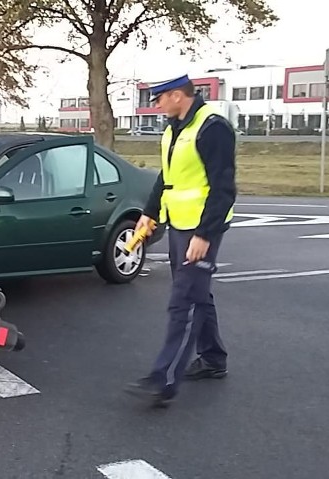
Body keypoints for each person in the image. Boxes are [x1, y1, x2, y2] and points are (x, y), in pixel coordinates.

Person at [123, 74, 237, 407]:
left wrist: (205, 234)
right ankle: (214, 359)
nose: (155, 105)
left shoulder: (211, 127)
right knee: (197, 295)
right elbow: (168, 176)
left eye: (158, 99)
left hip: (201, 229)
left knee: (183, 303)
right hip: (180, 224)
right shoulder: (175, 127)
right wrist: (149, 211)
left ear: (177, 96)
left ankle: (164, 380)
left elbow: (224, 187)